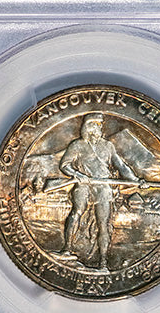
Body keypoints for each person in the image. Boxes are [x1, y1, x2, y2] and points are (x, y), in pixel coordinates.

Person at [58, 112, 145, 270]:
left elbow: (121, 166)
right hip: (83, 184)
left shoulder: (108, 146)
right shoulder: (77, 145)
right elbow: (65, 165)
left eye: (99, 125)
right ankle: (67, 249)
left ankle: (103, 262)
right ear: (87, 127)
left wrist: (136, 180)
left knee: (103, 223)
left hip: (103, 186)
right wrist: (79, 175)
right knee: (77, 212)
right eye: (95, 125)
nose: (98, 128)